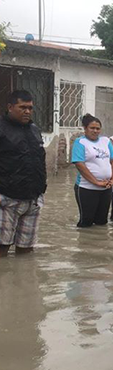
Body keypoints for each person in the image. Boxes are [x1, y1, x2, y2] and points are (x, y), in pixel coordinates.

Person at [0, 90, 47, 257]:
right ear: (10, 107)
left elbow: (40, 160)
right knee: (2, 247)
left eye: (30, 108)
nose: (27, 111)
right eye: (23, 107)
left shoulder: (34, 130)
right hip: (6, 199)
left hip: (33, 199)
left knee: (26, 251)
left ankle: (23, 282)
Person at [71, 114, 113, 227]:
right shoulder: (80, 142)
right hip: (86, 188)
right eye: (92, 128)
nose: (95, 131)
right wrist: (96, 182)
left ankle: (100, 243)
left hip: (106, 188)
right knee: (86, 221)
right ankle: (84, 243)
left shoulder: (106, 141)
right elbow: (79, 164)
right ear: (85, 129)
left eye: (98, 128)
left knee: (102, 221)